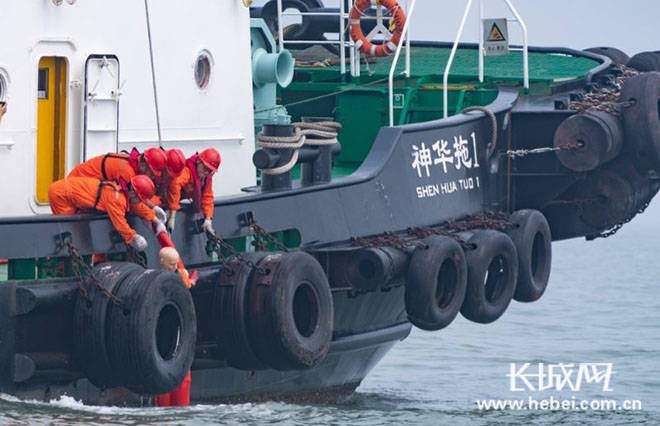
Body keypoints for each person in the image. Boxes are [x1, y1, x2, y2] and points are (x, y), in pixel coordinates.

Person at [48, 175, 161, 250]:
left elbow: (136, 206)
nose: (140, 202)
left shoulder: (122, 192)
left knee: (76, 232)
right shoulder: (116, 199)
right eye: (140, 199)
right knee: (68, 230)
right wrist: (134, 238)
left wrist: (154, 218)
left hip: (67, 192)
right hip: (61, 195)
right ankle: (61, 266)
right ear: (133, 193)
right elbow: (120, 223)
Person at [68, 147, 168, 223]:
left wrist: (153, 207)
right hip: (77, 187)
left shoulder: (132, 165)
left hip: (82, 183)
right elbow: (133, 203)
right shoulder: (127, 172)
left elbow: (138, 195)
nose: (152, 177)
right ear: (143, 166)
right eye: (152, 173)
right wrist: (153, 217)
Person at [165, 148, 221, 234]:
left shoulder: (206, 179)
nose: (206, 172)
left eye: (209, 170)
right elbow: (175, 186)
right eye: (205, 168)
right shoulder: (187, 171)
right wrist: (172, 215)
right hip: (165, 198)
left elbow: (207, 197)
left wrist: (208, 219)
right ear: (198, 161)